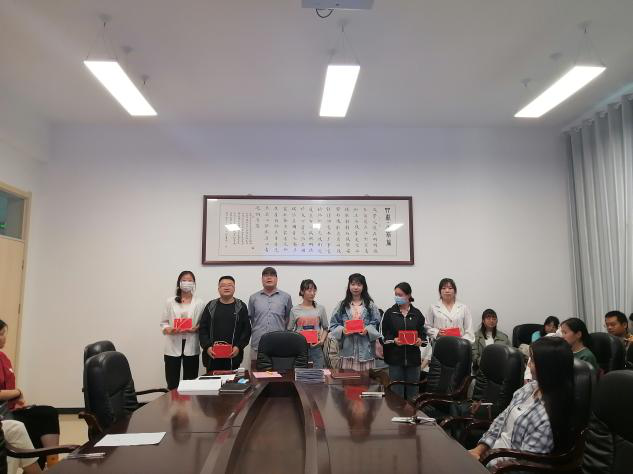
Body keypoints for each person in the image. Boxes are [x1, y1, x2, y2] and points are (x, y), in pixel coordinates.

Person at [469, 337, 574, 469]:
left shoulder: (547, 417)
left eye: (533, 361)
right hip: (490, 456)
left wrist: (489, 463)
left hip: (503, 468)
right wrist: (479, 450)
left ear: (548, 368)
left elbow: (526, 464)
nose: (528, 365)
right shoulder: (529, 388)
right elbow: (501, 421)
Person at [0, 320, 60, 469]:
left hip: (9, 410)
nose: (4, 337)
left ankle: (52, 464)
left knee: (48, 413)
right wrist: (18, 392)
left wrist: (17, 400)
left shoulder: (4, 358)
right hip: (3, 416)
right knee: (33, 424)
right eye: (1, 334)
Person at [380, 282, 426, 400]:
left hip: (413, 360)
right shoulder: (389, 313)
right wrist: (393, 340)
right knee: (396, 395)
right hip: (395, 360)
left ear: (408, 295)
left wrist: (421, 340)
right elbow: (382, 334)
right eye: (395, 294)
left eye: (400, 295)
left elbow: (424, 333)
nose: (397, 297)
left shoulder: (417, 314)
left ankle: (413, 412)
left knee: (413, 395)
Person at [160, 271, 205, 390]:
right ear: (179, 283)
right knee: (172, 382)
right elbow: (163, 323)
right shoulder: (170, 301)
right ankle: (173, 402)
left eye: (190, 280)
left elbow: (203, 323)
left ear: (194, 283)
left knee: (190, 382)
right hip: (172, 345)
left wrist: (196, 328)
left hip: (191, 344)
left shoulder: (200, 302)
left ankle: (189, 402)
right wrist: (170, 329)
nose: (187, 283)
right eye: (184, 280)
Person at [329, 273, 381, 371]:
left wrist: (367, 330)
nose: (355, 287)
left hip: (366, 349)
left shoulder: (370, 305)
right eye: (353, 284)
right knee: (348, 378)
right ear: (349, 286)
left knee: (365, 379)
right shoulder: (342, 305)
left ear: (363, 287)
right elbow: (333, 324)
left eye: (359, 284)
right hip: (347, 349)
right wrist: (342, 330)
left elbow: (376, 323)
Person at [198, 276, 251, 372]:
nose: (226, 287)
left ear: (234, 288)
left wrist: (238, 346)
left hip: (233, 355)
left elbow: (246, 330)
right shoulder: (211, 305)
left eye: (230, 285)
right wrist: (207, 347)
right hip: (212, 355)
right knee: (213, 380)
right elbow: (203, 329)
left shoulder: (241, 306)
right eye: (223, 285)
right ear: (218, 289)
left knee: (232, 380)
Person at [248, 267, 293, 362]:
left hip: (279, 343)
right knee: (256, 370)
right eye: (266, 275)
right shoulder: (253, 298)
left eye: (272, 275)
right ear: (261, 279)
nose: (269, 277)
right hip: (257, 343)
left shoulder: (286, 297)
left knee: (280, 370)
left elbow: (288, 318)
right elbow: (252, 319)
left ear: (277, 279)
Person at [287, 279, 328, 369]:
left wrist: (321, 341)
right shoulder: (295, 310)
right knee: (300, 375)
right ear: (302, 292)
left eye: (314, 291)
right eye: (309, 291)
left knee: (318, 374)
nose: (312, 293)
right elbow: (289, 330)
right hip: (300, 348)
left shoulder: (320, 309)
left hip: (316, 348)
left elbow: (325, 328)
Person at [426, 278, 474, 343]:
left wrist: (461, 341)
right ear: (440, 291)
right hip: (439, 344)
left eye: (450, 288)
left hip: (459, 345)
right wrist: (437, 333)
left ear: (455, 291)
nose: (447, 291)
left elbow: (469, 331)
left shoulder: (463, 308)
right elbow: (427, 327)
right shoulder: (433, 307)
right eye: (443, 288)